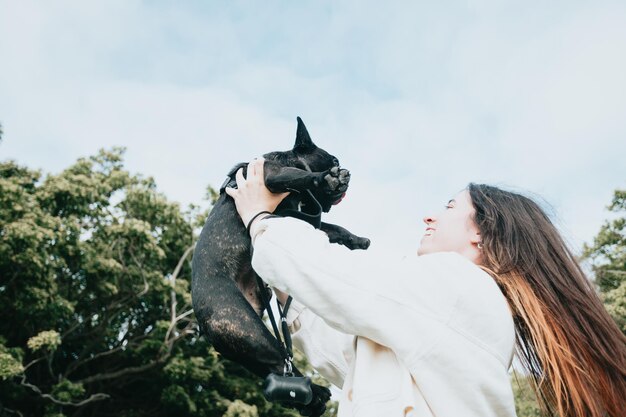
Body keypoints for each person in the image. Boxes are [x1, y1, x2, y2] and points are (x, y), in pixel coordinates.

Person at [225, 158, 626, 417]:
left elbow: (341, 277)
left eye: (450, 207)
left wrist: (260, 218)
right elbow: (347, 355)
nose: (429, 217)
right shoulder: (453, 316)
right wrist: (287, 294)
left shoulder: (463, 288)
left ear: (482, 237)